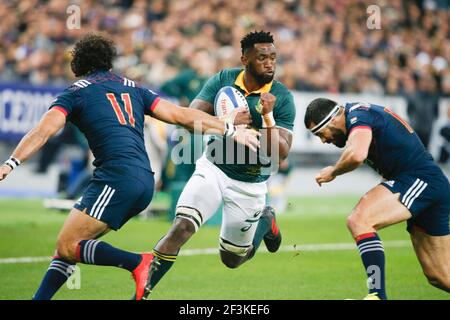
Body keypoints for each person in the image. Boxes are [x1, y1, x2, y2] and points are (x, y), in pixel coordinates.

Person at [0, 34, 259, 300]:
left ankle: (137, 262)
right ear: (109, 62)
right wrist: (228, 128)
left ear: (77, 65)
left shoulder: (75, 93)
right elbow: (181, 116)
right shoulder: (133, 87)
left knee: (68, 245)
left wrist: (10, 163)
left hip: (115, 179)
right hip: (143, 182)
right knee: (71, 246)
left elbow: (43, 131)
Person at [144, 31, 296, 299]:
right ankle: (142, 292)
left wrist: (268, 117)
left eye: (273, 57)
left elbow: (280, 153)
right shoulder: (224, 79)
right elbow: (191, 118)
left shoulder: (281, 97)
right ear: (245, 59)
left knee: (233, 260)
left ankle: (266, 220)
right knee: (181, 227)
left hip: (250, 183)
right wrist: (227, 122)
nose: (270, 63)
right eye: (262, 58)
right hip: (213, 168)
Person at [304, 98, 450, 300]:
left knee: (359, 220)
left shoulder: (357, 115)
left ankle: (377, 295)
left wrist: (333, 172)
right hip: (426, 184)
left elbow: (356, 155)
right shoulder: (360, 115)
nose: (323, 140)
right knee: (440, 276)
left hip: (421, 180)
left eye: (321, 133)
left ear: (334, 118)